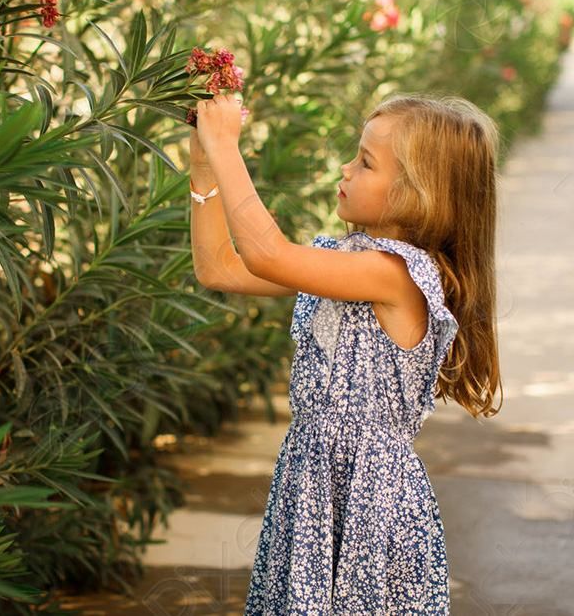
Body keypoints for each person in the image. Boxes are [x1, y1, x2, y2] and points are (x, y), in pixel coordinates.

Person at [189, 91, 504, 614]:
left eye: (365, 162)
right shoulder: (344, 259)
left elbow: (267, 254)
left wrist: (226, 145)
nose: (345, 167)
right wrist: (204, 164)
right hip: (313, 487)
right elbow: (218, 267)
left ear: (415, 195)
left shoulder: (397, 275)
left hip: (367, 505)